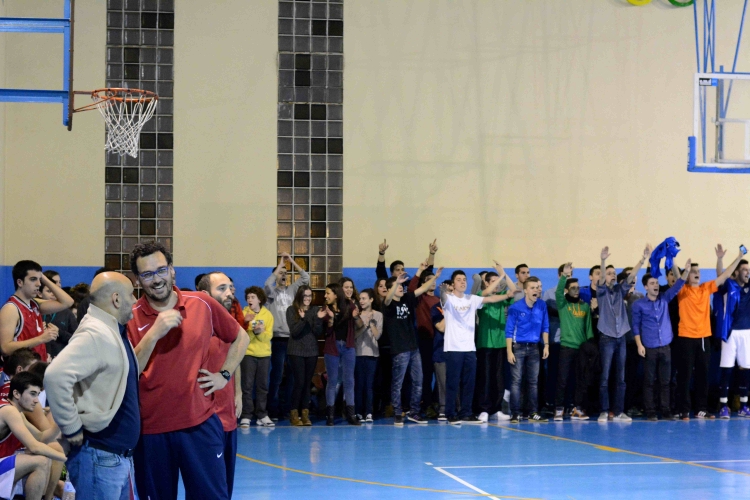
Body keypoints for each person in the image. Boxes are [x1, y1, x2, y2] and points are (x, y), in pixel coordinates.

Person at [126, 242, 249, 500]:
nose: (156, 279)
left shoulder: (201, 303)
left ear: (172, 270)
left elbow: (240, 337)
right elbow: (127, 372)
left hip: (200, 426)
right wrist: (154, 333)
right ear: (137, 279)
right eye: (147, 274)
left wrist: (224, 375)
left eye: (161, 270)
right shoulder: (129, 317)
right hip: (151, 432)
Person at [45, 271, 141, 499]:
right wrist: (71, 426)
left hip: (115, 457)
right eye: (131, 295)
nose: (135, 301)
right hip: (99, 456)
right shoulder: (95, 333)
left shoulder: (112, 330)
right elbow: (55, 376)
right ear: (116, 299)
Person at [674, 249, 743, 421]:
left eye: (698, 271)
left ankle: (701, 409)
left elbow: (725, 275)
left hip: (704, 338)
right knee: (685, 375)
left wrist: (737, 257)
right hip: (686, 337)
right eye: (693, 272)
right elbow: (676, 275)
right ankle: (684, 409)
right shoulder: (682, 290)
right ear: (687, 276)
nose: (697, 273)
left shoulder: (705, 288)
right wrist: (673, 259)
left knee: (703, 375)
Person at [442, 266, 515, 425]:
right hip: (453, 348)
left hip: (469, 349)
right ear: (453, 284)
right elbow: (443, 298)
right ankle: (450, 413)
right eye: (459, 280)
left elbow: (492, 299)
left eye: (464, 279)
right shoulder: (449, 299)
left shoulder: (471, 299)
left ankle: (466, 413)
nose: (462, 282)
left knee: (469, 383)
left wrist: (506, 290)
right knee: (453, 383)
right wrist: (442, 289)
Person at [196, 272, 243, 498]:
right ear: (205, 294)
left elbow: (235, 359)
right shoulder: (197, 329)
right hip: (207, 421)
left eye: (230, 288)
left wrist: (238, 393)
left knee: (225, 489)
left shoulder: (231, 326)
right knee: (208, 491)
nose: (229, 293)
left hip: (229, 419)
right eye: (222, 288)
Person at [595, 245, 650, 423]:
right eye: (609, 273)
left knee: (621, 378)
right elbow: (601, 279)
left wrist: (642, 259)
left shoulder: (620, 290)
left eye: (613, 273)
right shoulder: (601, 291)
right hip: (607, 338)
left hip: (621, 338)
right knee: (605, 377)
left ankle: (619, 411)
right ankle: (604, 411)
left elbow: (631, 276)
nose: (612, 275)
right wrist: (603, 260)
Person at [383, 269, 442, 426]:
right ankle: (397, 412)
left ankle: (414, 412)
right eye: (397, 286)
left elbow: (422, 289)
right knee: (398, 383)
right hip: (399, 349)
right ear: (390, 289)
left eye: (401, 286)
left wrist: (435, 277)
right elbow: (387, 299)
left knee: (418, 380)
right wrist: (396, 282)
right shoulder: (388, 305)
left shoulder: (407, 298)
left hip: (414, 348)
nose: (400, 287)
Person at [632, 261, 689, 421]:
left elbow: (679, 285)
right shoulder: (638, 305)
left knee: (665, 381)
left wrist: (685, 271)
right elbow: (635, 326)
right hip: (649, 347)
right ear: (646, 287)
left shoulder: (664, 299)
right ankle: (650, 411)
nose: (656, 285)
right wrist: (639, 345)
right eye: (652, 283)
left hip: (665, 346)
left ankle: (665, 410)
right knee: (649, 381)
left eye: (656, 282)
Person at [0, 372, 67, 500]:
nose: (36, 400)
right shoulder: (9, 411)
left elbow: (40, 437)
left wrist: (61, 422)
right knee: (41, 461)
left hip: (3, 457)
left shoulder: (15, 411)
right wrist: (65, 458)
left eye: (37, 394)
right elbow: (35, 447)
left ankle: (48, 497)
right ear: (16, 394)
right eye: (32, 394)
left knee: (54, 449)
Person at [264, 253, 309, 421]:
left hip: (293, 339)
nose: (284, 275)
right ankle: (273, 409)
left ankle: (288, 408)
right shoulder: (271, 293)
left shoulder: (292, 290)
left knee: (292, 376)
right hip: (278, 339)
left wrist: (291, 262)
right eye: (280, 273)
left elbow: (305, 278)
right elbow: (267, 284)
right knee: (277, 375)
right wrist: (280, 265)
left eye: (286, 273)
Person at [0, 260, 73, 360]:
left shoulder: (34, 304)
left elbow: (68, 302)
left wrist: (44, 278)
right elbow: (5, 348)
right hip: (21, 368)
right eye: (33, 279)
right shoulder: (11, 309)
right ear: (20, 282)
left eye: (40, 279)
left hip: (36, 365)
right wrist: (41, 339)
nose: (39, 284)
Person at [476, 264, 517, 422]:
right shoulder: (480, 296)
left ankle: (496, 408)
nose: (497, 284)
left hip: (500, 343)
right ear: (486, 283)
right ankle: (484, 409)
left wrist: (503, 273)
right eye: (492, 281)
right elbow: (487, 293)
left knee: (499, 378)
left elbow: (514, 290)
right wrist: (499, 279)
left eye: (498, 281)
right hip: (485, 343)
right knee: (485, 378)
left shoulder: (502, 297)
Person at [553, 263, 594, 421]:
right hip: (566, 348)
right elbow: (558, 292)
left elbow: (588, 327)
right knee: (562, 380)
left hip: (581, 349)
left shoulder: (584, 306)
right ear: (567, 290)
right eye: (573, 288)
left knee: (580, 381)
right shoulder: (563, 304)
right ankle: (559, 408)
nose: (576, 290)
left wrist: (589, 344)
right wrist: (564, 275)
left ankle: (577, 409)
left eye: (578, 287)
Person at [506, 277, 550, 422]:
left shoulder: (542, 305)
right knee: (516, 381)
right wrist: (509, 351)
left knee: (533, 381)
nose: (536, 290)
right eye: (532, 288)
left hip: (534, 348)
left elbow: (545, 326)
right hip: (518, 347)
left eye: (537, 287)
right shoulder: (515, 307)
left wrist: (546, 345)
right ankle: (515, 413)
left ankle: (533, 412)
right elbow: (509, 331)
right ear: (525, 290)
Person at [713, 246, 750, 419]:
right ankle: (723, 406)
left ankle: (744, 405)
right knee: (727, 369)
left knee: (745, 369)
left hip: (746, 333)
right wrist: (721, 259)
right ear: (736, 272)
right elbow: (720, 274)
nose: (747, 272)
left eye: (749, 270)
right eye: (744, 269)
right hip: (730, 333)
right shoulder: (729, 284)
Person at [322, 283, 364, 426]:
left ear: (335, 294)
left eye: (328, 293)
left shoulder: (349, 305)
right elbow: (326, 332)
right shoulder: (325, 309)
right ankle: (330, 415)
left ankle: (351, 414)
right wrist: (330, 319)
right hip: (332, 347)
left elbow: (360, 325)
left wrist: (356, 317)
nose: (325, 296)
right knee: (332, 381)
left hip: (348, 347)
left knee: (349, 380)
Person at [286, 286, 324, 426]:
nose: (308, 298)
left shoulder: (315, 310)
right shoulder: (291, 310)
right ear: (300, 296)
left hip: (311, 351)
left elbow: (318, 332)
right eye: (305, 296)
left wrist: (318, 319)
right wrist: (303, 319)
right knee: (299, 382)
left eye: (310, 296)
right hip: (296, 350)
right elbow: (294, 332)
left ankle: (305, 414)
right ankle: (294, 413)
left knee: (307, 383)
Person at [240, 287, 275, 428]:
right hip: (248, 354)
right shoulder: (243, 313)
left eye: (253, 297)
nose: (250, 300)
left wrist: (259, 333)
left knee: (262, 386)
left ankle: (262, 415)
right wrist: (249, 326)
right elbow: (241, 335)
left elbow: (268, 336)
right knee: (247, 386)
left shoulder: (268, 315)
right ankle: (246, 415)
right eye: (248, 297)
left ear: (259, 299)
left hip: (264, 355)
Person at [354, 289, 382, 422]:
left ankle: (369, 412)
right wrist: (365, 326)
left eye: (364, 298)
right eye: (360, 299)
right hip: (358, 353)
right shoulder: (356, 315)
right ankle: (358, 412)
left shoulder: (378, 315)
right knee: (359, 384)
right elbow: (354, 336)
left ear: (371, 300)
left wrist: (372, 325)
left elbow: (378, 336)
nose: (361, 301)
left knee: (369, 385)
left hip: (372, 354)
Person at [38, 272, 78, 359]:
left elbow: (78, 339)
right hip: (40, 359)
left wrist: (60, 332)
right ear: (39, 293)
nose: (54, 293)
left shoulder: (67, 313)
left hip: (62, 359)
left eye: (59, 282)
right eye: (49, 291)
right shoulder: (35, 312)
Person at [431, 279, 453, 421]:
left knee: (456, 381)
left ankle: (457, 408)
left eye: (451, 291)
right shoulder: (436, 308)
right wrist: (448, 310)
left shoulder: (460, 306)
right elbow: (441, 327)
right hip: (441, 351)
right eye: (446, 292)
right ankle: (443, 409)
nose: (449, 294)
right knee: (443, 382)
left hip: (457, 350)